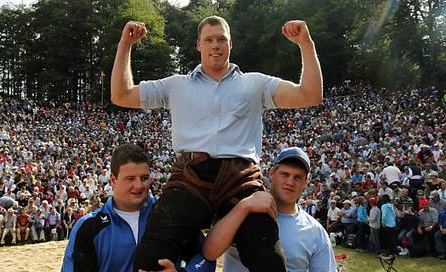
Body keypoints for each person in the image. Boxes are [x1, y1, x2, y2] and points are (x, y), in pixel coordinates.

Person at [111, 15, 322, 271]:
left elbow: (309, 95)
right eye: (209, 40)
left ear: (230, 44)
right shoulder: (176, 85)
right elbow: (121, 95)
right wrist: (125, 45)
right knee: (151, 255)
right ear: (198, 45)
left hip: (240, 179)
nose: (215, 45)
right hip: (191, 178)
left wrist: (305, 43)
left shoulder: (255, 83)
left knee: (268, 259)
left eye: (221, 39)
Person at [61, 143, 214, 272]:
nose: (139, 185)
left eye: (144, 178)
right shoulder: (88, 228)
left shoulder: (170, 214)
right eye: (130, 179)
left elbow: (206, 257)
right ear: (113, 180)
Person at [201, 147, 336, 271]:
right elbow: (210, 252)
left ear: (306, 181)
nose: (290, 182)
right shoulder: (243, 209)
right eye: (285, 174)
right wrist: (245, 206)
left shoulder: (315, 232)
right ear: (272, 173)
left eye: (297, 177)